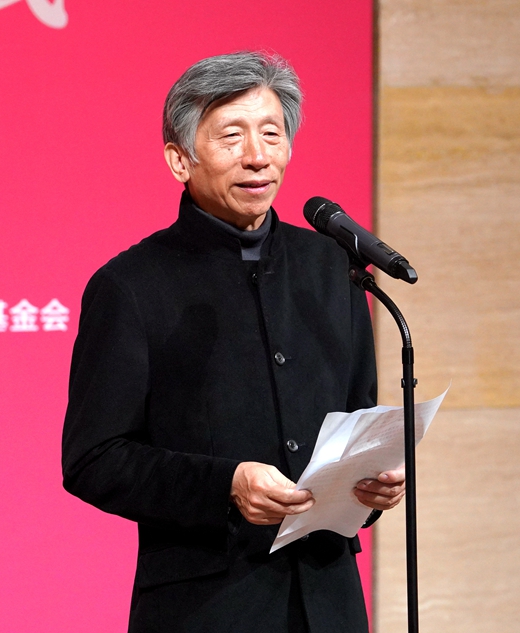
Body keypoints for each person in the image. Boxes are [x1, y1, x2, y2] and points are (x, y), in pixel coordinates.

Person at [62, 51, 405, 633]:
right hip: (206, 607)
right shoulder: (131, 285)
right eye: (231, 136)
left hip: (329, 602)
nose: (257, 156)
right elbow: (94, 459)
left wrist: (370, 486)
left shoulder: (332, 267)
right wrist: (227, 486)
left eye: (272, 134)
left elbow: (356, 417)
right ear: (180, 159)